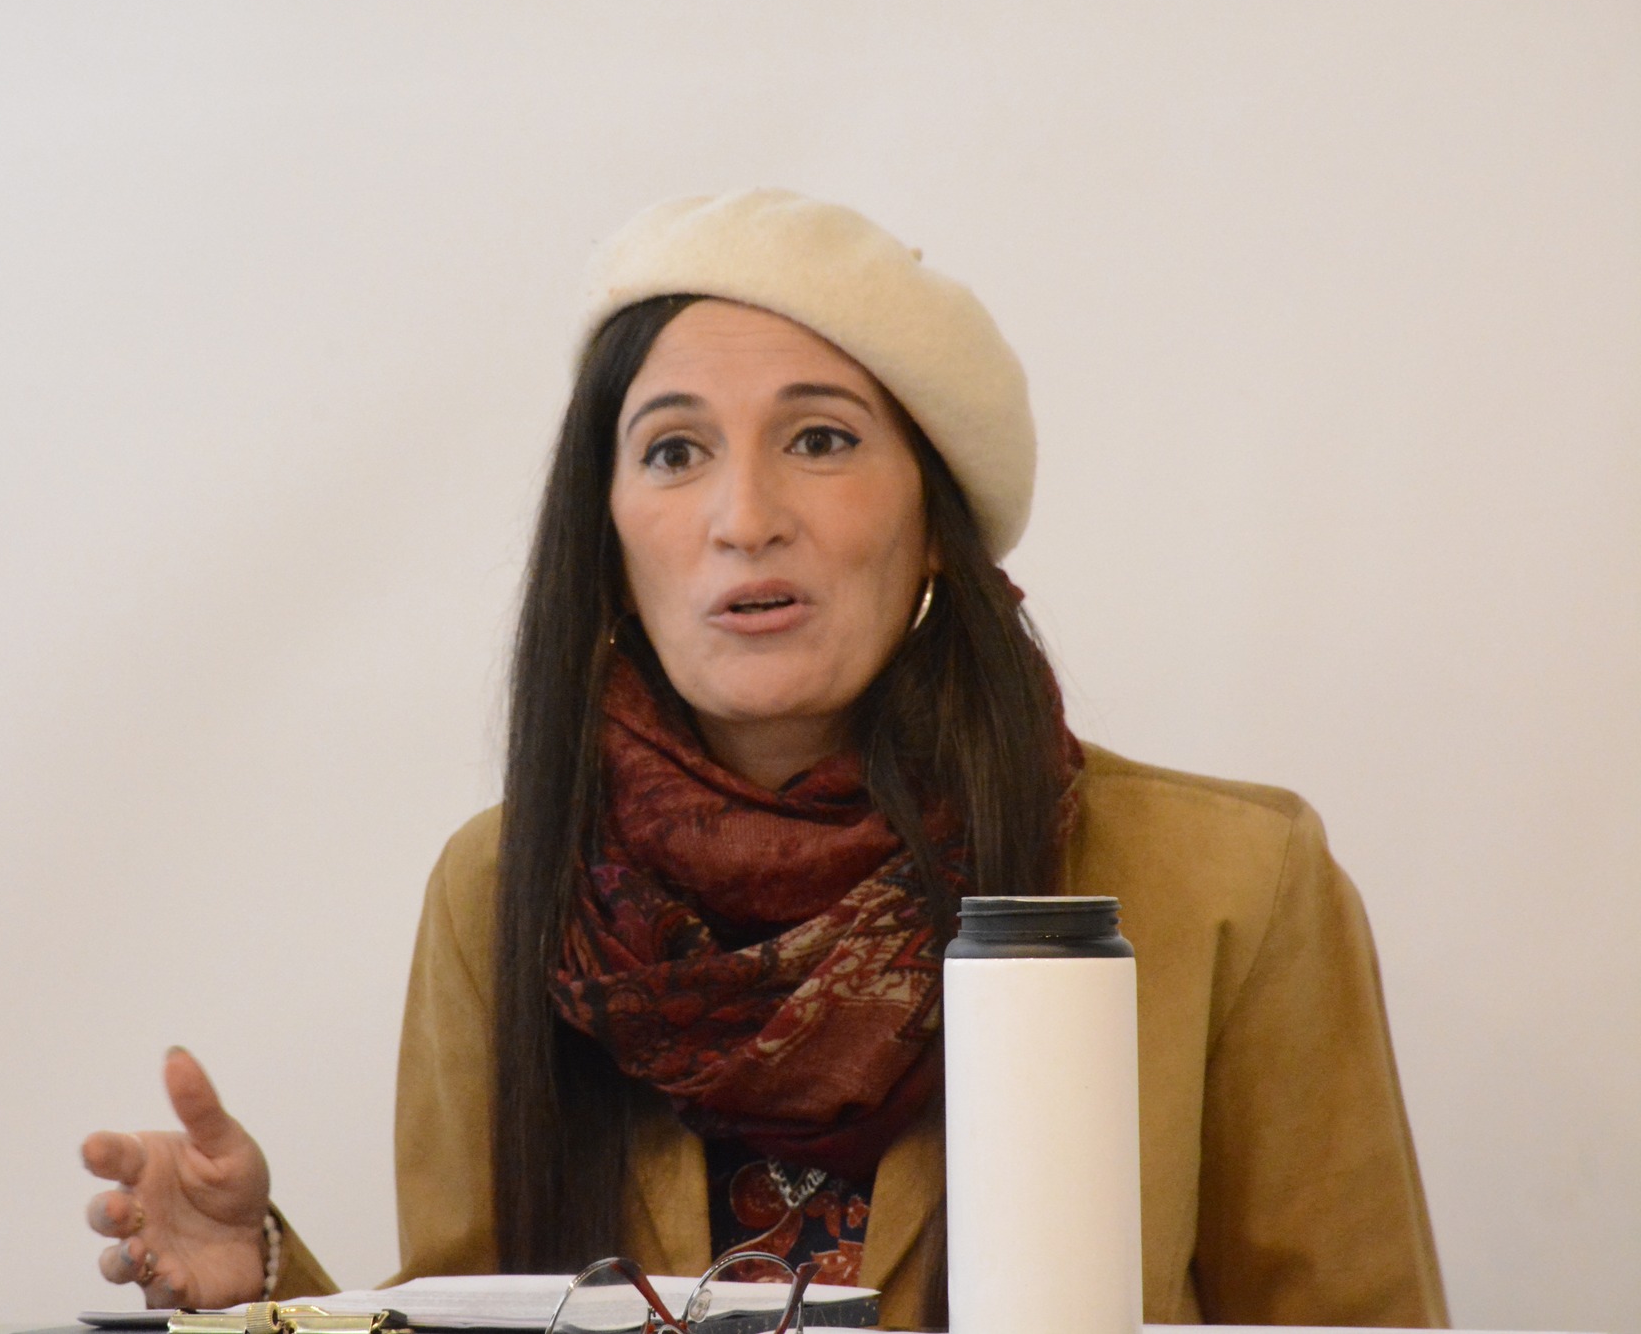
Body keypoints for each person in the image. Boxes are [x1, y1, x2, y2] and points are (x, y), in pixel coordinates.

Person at [80, 190, 1448, 1329]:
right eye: (675, 451)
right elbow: (476, 1309)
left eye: (820, 440)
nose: (744, 516)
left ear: (935, 517)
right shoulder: (502, 889)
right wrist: (262, 1285)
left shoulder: (1232, 886)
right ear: (608, 536)